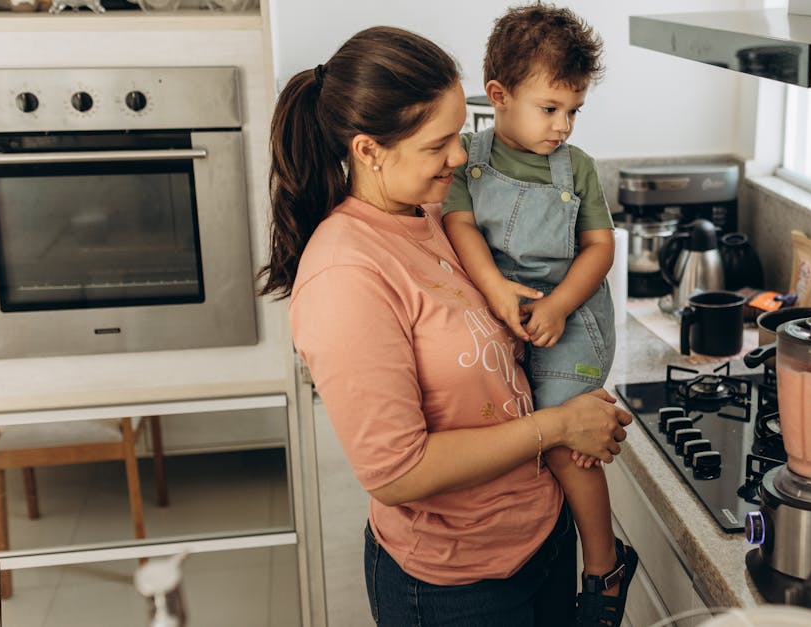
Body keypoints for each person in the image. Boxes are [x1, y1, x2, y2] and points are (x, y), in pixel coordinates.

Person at [259, 26, 634, 627]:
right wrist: (561, 423)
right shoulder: (344, 273)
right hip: (458, 588)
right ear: (369, 150)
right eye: (439, 144)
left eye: (460, 132)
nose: (461, 156)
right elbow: (397, 473)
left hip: (542, 540)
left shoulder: (435, 216)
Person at [441, 5, 635, 624]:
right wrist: (498, 290)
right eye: (549, 108)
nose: (563, 126)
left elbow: (600, 249)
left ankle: (603, 569)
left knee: (560, 445)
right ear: (498, 96)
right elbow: (459, 224)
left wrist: (555, 305)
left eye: (574, 110)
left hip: (572, 323)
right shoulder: (464, 158)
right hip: (508, 316)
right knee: (521, 439)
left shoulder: (575, 168)